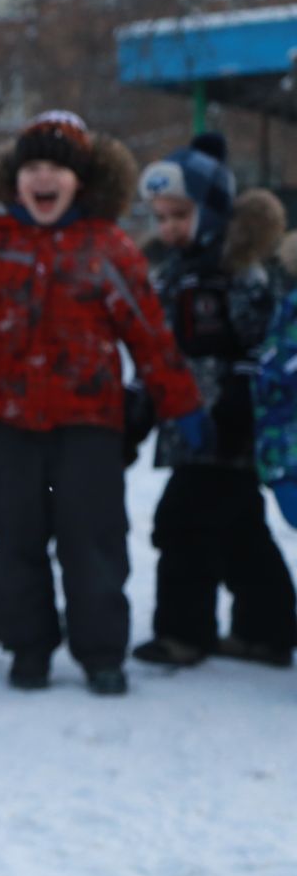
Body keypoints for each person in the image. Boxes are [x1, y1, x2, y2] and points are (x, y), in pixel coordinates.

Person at [0, 111, 204, 696]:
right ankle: (28, 648)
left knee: (93, 543)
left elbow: (150, 336)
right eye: (32, 167)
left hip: (88, 425)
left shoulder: (109, 248)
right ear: (16, 181)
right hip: (7, 425)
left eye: (55, 169)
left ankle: (101, 652)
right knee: (15, 544)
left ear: (79, 181)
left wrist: (180, 404)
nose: (43, 178)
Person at [133, 134, 295, 669]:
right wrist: (145, 404)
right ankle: (266, 628)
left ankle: (186, 632)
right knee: (234, 529)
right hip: (188, 424)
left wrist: (237, 408)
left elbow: (263, 345)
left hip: (229, 428)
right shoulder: (175, 273)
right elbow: (160, 349)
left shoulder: (240, 274)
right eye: (160, 217)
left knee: (182, 523)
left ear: (213, 210)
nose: (168, 228)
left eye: (179, 215)